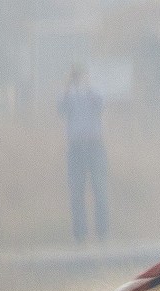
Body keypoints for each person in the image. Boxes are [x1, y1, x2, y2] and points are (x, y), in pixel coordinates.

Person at [57, 64, 108, 243]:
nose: (78, 79)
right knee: (76, 192)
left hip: (95, 146)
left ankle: (103, 234)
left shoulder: (93, 91)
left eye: (81, 75)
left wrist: (87, 86)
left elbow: (100, 103)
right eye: (76, 76)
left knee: (100, 189)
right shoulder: (68, 95)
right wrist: (67, 86)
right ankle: (80, 235)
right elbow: (60, 109)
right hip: (76, 148)